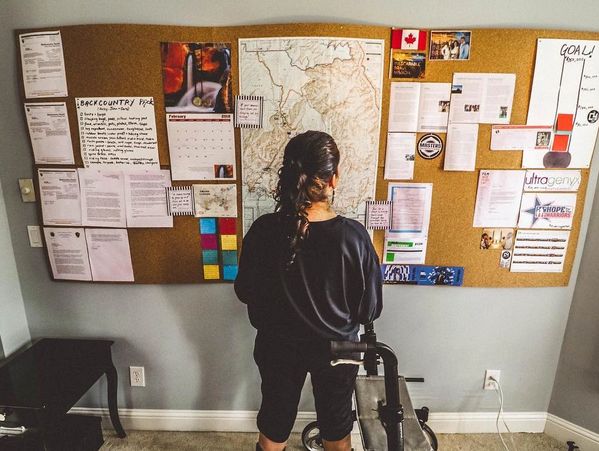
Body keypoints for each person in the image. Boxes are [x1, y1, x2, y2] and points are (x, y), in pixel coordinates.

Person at [235, 131, 383, 451]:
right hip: (341, 346)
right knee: (337, 426)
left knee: (274, 421)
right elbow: (368, 311)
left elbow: (245, 291)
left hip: (277, 345)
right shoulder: (355, 237)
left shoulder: (263, 230)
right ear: (334, 178)